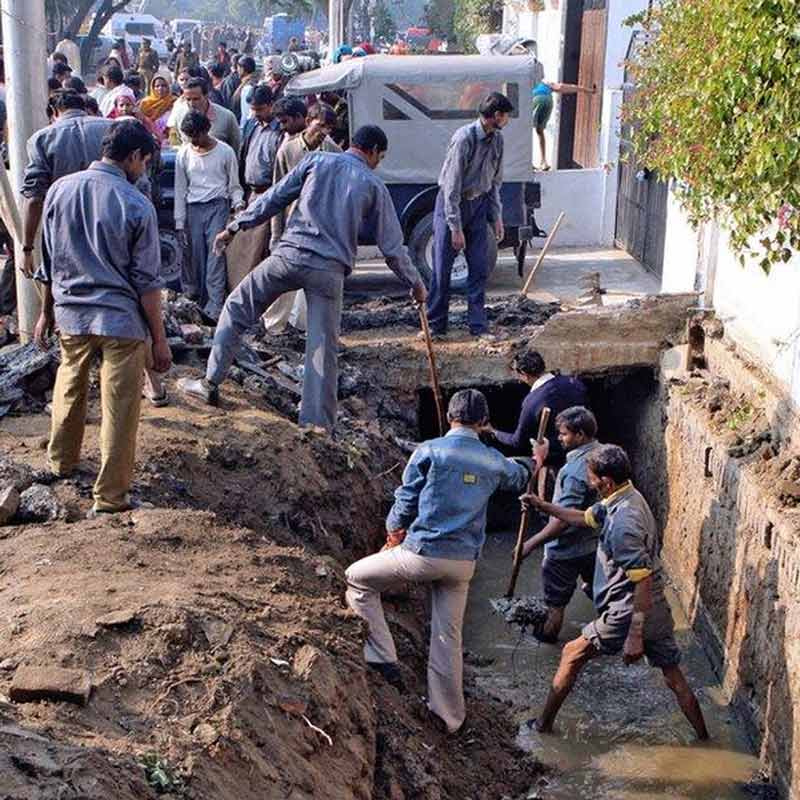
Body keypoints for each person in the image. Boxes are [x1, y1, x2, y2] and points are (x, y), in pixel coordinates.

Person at [178, 125, 426, 431]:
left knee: (237, 306)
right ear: (373, 151)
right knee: (322, 347)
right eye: (380, 158)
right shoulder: (373, 185)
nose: (377, 164)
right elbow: (392, 248)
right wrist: (415, 283)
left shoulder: (316, 161)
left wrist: (234, 227)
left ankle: (210, 382)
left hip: (289, 256)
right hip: (329, 272)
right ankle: (317, 425)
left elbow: (274, 198)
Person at [345, 389, 533, 733]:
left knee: (356, 578)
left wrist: (393, 530)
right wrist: (535, 458)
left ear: (449, 417)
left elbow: (405, 501)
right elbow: (519, 475)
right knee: (448, 637)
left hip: (421, 554)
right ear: (484, 422)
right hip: (463, 564)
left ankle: (382, 653)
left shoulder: (428, 450)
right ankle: (449, 717)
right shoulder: (492, 460)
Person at [521, 444, 710, 740]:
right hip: (656, 608)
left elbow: (642, 581)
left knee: (571, 654)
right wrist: (542, 505)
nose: (589, 483)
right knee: (674, 677)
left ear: (606, 482)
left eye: (591, 478)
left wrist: (635, 636)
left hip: (629, 609)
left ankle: (542, 726)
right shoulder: (625, 497)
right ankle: (704, 739)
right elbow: (583, 518)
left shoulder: (623, 524)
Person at [32, 121, 172, 515]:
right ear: (132, 157)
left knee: (70, 388)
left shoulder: (60, 189)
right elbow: (147, 283)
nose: (144, 169)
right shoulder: (135, 203)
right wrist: (158, 340)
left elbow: (49, 262)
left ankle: (61, 462)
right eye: (144, 161)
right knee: (120, 408)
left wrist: (46, 313)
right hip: (120, 322)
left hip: (72, 315)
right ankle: (110, 497)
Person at [426, 92, 512, 340]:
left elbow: (495, 181)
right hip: (452, 205)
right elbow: (451, 186)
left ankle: (478, 325)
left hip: (479, 204)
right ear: (495, 116)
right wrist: (454, 227)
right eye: (505, 116)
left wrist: (496, 216)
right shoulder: (464, 139)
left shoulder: (497, 140)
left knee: (479, 267)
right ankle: (436, 324)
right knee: (442, 269)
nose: (506, 121)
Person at [518, 406, 602, 642]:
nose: (560, 439)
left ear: (581, 435)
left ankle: (544, 651)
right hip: (594, 545)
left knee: (554, 608)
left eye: (564, 434)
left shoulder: (574, 471)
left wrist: (530, 544)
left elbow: (564, 520)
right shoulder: (602, 453)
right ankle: (618, 631)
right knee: (600, 592)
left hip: (564, 551)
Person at [264, 102, 341, 335]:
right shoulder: (288, 151)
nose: (324, 133)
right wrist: (275, 234)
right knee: (284, 276)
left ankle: (309, 329)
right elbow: (276, 195)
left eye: (329, 128)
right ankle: (273, 327)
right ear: (308, 122)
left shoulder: (333, 153)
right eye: (320, 126)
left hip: (321, 227)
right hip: (292, 225)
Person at [174, 110, 244, 322]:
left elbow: (234, 185)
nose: (195, 141)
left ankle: (214, 308)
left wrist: (238, 205)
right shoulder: (184, 154)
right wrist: (179, 222)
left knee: (215, 257)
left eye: (197, 135)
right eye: (190, 137)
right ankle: (197, 305)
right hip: (194, 208)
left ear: (206, 130)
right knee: (196, 258)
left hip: (217, 206)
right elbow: (180, 189)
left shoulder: (224, 151)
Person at [491, 349, 588, 469]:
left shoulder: (532, 401)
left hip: (555, 462)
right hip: (583, 452)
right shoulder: (575, 383)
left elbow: (518, 441)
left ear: (523, 373)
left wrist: (494, 432)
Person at [532, 80, 595, 171]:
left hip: (536, 99)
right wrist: (586, 90)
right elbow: (562, 87)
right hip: (548, 101)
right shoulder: (545, 83)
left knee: (526, 130)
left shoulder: (528, 81)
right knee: (540, 131)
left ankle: (529, 162)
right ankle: (544, 161)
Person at [167, 77, 240, 151]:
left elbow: (236, 147)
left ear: (206, 96)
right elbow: (176, 142)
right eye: (188, 99)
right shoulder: (179, 115)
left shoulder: (226, 117)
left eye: (196, 99)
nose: (192, 103)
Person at [139, 76, 175, 144]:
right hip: (150, 139)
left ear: (168, 87)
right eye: (157, 86)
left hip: (170, 140)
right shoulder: (145, 103)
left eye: (163, 86)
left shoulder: (173, 101)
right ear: (152, 88)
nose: (160, 88)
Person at [233, 56, 258, 127]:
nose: (237, 70)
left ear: (242, 69)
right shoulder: (247, 83)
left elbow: (247, 113)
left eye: (238, 67)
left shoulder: (248, 87)